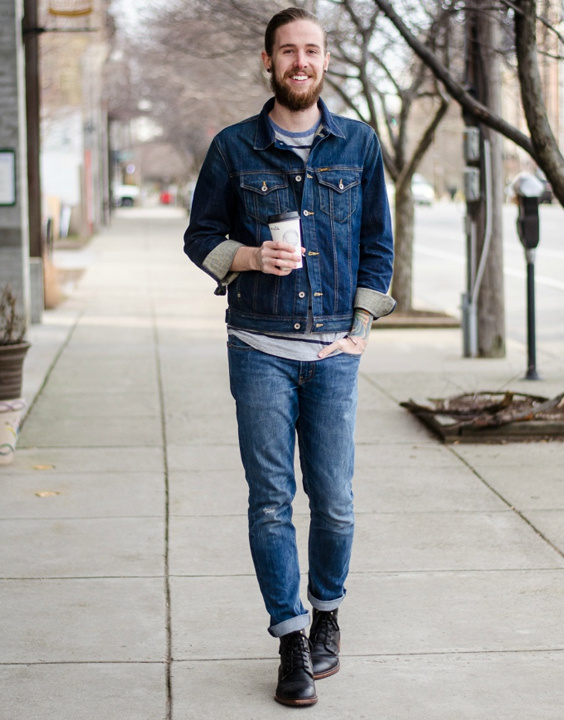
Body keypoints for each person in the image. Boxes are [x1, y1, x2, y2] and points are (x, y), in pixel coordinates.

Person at [184, 6, 395, 707]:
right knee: (272, 501)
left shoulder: (359, 145)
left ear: (325, 61)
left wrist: (362, 324)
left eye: (312, 50)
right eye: (287, 51)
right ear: (267, 61)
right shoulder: (233, 148)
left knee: (333, 501)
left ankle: (327, 611)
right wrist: (246, 256)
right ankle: (291, 639)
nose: (300, 61)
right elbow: (199, 235)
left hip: (333, 347)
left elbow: (377, 243)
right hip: (258, 347)